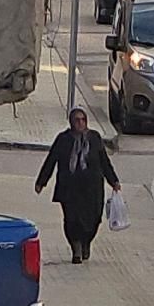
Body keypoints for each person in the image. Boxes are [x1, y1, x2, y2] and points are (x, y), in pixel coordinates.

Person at [35, 107, 120, 263]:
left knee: (94, 218)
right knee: (72, 219)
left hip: (92, 188)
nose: (80, 123)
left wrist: (113, 181)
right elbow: (51, 161)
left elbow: (104, 162)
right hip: (70, 188)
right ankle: (76, 248)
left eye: (83, 120)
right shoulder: (63, 139)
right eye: (77, 120)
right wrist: (42, 182)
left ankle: (86, 242)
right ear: (71, 122)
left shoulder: (94, 138)